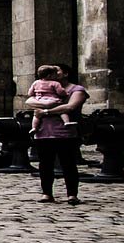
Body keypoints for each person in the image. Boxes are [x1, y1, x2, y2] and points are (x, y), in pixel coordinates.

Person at [26, 64, 87, 204]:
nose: (53, 72)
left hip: (65, 133)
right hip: (44, 132)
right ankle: (47, 193)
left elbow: (70, 106)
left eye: (57, 70)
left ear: (65, 73)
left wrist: (45, 110)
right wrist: (45, 105)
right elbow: (29, 101)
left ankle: (72, 194)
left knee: (68, 164)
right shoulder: (43, 87)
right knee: (45, 165)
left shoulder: (76, 89)